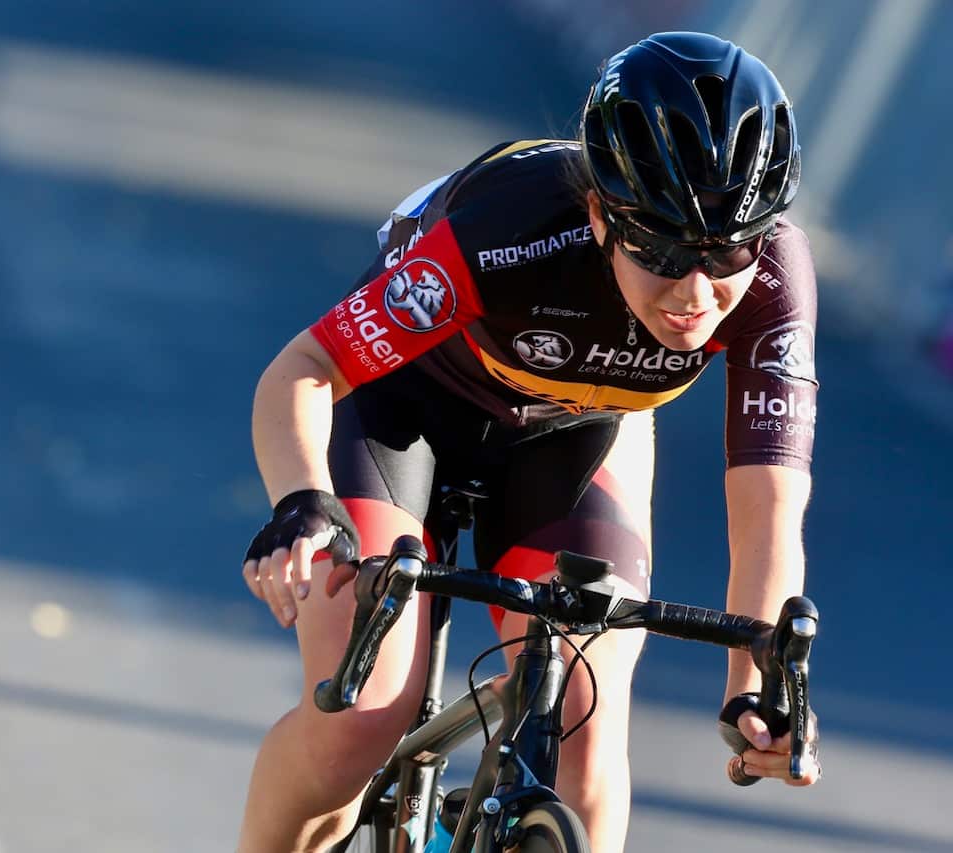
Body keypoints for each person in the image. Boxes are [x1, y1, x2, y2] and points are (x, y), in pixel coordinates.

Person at [238, 31, 822, 853]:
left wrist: (754, 687)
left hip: (578, 432)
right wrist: (302, 499)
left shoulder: (772, 279)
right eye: (659, 249)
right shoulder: (507, 232)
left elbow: (769, 510)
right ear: (598, 215)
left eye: (727, 249)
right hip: (403, 410)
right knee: (354, 730)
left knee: (586, 757)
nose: (697, 292)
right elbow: (301, 369)